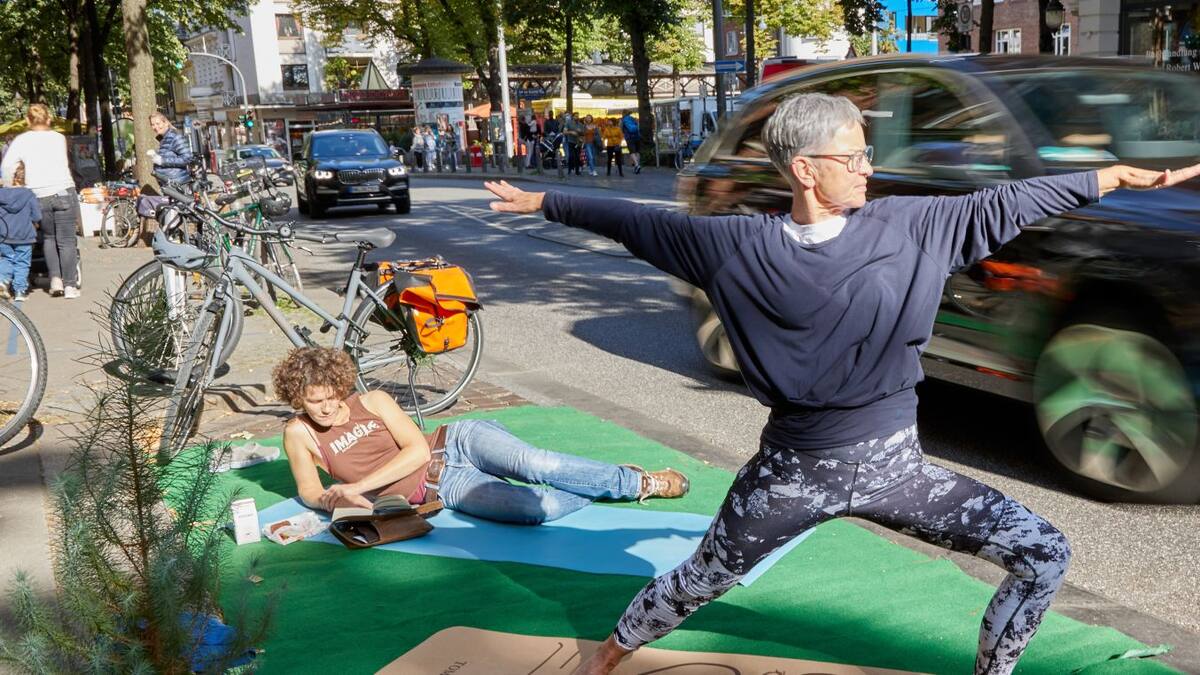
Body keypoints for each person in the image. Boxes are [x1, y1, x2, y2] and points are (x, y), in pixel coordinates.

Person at [485, 93, 1200, 675]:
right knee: (701, 576)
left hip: (898, 470)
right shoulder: (732, 246)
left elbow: (1006, 203)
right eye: (853, 156)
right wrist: (544, 200)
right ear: (804, 169)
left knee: (1045, 553)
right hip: (790, 473)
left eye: (867, 153)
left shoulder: (911, 226)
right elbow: (629, 220)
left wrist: (1110, 178)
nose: (867, 168)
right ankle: (606, 657)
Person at [273, 347, 690, 523]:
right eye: (314, 402)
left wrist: (357, 486)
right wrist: (331, 499)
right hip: (441, 488)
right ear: (298, 399)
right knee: (536, 510)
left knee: (535, 463)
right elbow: (309, 490)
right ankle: (595, 484)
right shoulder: (299, 433)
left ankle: (636, 482)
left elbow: (417, 451)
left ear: (341, 385)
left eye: (331, 397)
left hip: (456, 443)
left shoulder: (374, 400)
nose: (325, 408)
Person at [0, 103, 80, 299]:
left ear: (28, 120)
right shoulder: (59, 138)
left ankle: (55, 280)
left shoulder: (21, 140)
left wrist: (9, 185)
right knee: (67, 241)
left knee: (49, 238)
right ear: (48, 118)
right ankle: (70, 286)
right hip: (63, 190)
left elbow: (7, 166)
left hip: (38, 194)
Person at [0, 167, 40, 302]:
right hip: (24, 235)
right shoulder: (29, 195)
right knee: (22, 262)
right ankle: (20, 291)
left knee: (6, 259)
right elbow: (37, 216)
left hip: (4, 235)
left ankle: (2, 281)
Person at [147, 111, 194, 187]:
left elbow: (187, 158)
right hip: (169, 184)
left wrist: (162, 161)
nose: (155, 127)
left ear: (165, 123)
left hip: (178, 184)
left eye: (158, 123)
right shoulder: (163, 139)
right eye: (152, 124)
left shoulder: (175, 137)